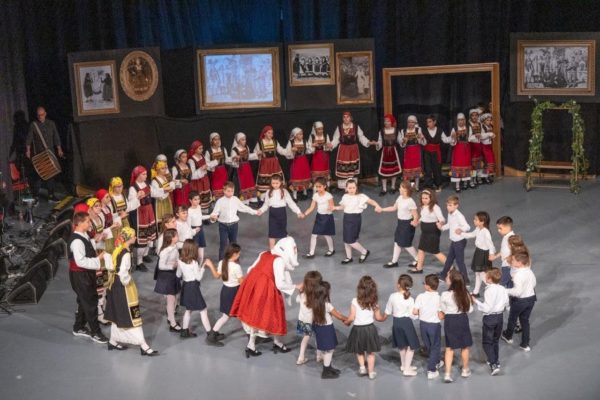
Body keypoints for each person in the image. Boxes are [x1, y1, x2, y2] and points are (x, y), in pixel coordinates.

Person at [230, 236, 301, 357]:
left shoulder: (264, 253)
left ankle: (254, 344)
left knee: (254, 315)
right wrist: (295, 286)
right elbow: (280, 283)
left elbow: (250, 269)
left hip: (253, 285)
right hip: (265, 289)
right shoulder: (279, 260)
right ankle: (271, 343)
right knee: (273, 314)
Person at [104, 227, 158, 355]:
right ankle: (143, 345)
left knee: (118, 312)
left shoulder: (118, 249)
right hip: (123, 286)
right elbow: (123, 274)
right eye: (133, 236)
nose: (135, 237)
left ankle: (113, 340)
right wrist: (128, 281)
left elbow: (111, 266)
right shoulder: (127, 254)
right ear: (129, 238)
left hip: (114, 285)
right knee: (132, 314)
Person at [68, 211, 108, 344]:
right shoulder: (76, 241)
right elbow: (80, 262)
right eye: (87, 221)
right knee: (90, 303)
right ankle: (96, 332)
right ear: (79, 223)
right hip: (80, 276)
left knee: (83, 301)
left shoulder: (83, 235)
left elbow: (87, 247)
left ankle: (78, 327)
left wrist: (94, 241)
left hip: (85, 274)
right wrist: (98, 259)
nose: (90, 223)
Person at [176, 239, 224, 346]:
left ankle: (184, 331)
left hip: (186, 286)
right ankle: (210, 333)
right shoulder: (194, 263)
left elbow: (178, 275)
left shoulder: (180, 261)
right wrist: (202, 267)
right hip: (193, 287)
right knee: (203, 310)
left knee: (189, 309)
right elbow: (198, 278)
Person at [344, 275, 385, 380]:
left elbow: (351, 317)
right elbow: (378, 318)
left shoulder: (355, 301)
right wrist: (384, 316)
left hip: (358, 329)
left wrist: (346, 322)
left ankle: (362, 367)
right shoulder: (374, 302)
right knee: (370, 353)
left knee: (359, 350)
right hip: (370, 329)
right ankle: (371, 372)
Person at [333, 179, 382, 264]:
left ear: (356, 188)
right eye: (349, 188)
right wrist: (335, 208)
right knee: (346, 239)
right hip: (346, 218)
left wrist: (377, 206)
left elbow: (371, 201)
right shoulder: (345, 196)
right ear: (346, 188)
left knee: (350, 240)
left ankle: (364, 251)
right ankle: (349, 257)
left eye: (353, 187)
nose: (352, 190)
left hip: (355, 219)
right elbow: (343, 207)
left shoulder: (361, 196)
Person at [380, 275, 419, 376]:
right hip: (406, 323)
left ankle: (404, 365)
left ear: (398, 285)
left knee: (402, 345)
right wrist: (418, 314)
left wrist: (382, 317)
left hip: (396, 322)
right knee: (411, 346)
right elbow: (413, 315)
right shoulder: (410, 299)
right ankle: (407, 369)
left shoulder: (392, 296)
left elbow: (388, 310)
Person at [471, 268, 509, 375]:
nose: (484, 277)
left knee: (487, 342)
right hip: (500, 317)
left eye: (486, 276)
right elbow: (506, 303)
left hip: (490, 318)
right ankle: (495, 360)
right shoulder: (503, 289)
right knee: (495, 340)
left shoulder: (488, 291)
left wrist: (476, 301)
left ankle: (493, 364)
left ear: (490, 279)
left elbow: (487, 308)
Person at [210, 181, 260, 260]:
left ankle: (234, 260)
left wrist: (255, 212)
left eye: (232, 191)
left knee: (233, 243)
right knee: (223, 244)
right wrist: (213, 218)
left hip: (234, 225)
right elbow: (214, 213)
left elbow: (244, 208)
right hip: (223, 226)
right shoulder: (220, 201)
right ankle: (221, 262)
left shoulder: (235, 199)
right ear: (224, 191)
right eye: (228, 191)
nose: (230, 193)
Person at [439, 270, 473, 383]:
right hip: (462, 320)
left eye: (447, 277)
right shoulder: (466, 293)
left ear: (452, 281)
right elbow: (470, 309)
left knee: (449, 348)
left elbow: (442, 310)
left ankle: (447, 374)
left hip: (450, 321)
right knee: (465, 346)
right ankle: (465, 370)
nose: (446, 278)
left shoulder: (445, 295)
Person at [204, 243, 244, 340]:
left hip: (225, 291)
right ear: (234, 254)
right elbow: (242, 283)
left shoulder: (222, 262)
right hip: (234, 292)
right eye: (239, 254)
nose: (239, 255)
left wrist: (210, 265)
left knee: (227, 315)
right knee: (240, 314)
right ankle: (213, 335)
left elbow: (217, 276)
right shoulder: (236, 267)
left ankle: (213, 333)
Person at [25, 106, 64, 201]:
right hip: (39, 154)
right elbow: (29, 139)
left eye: (42, 115)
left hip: (50, 153)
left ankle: (51, 195)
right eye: (38, 115)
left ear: (45, 114)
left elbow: (56, 137)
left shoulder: (51, 123)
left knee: (51, 175)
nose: (40, 117)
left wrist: (59, 149)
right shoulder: (34, 125)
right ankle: (36, 195)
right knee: (38, 175)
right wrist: (28, 150)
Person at [310, 281, 347, 379]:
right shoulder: (327, 305)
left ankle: (329, 367)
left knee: (327, 349)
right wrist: (348, 319)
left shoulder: (314, 303)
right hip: (327, 329)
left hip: (319, 328)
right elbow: (339, 316)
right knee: (329, 350)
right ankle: (326, 371)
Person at [379, 181, 419, 269]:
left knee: (406, 244)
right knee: (397, 242)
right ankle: (394, 261)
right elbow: (394, 208)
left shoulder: (410, 201)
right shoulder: (400, 197)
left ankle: (418, 259)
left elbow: (415, 215)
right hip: (400, 223)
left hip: (407, 224)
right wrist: (382, 209)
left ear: (405, 190)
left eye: (401, 187)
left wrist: (415, 221)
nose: (399, 189)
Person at [502, 251, 537, 352]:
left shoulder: (518, 275)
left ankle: (508, 336)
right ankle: (525, 344)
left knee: (512, 319)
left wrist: (505, 290)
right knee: (525, 321)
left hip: (520, 301)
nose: (511, 261)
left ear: (519, 262)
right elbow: (534, 283)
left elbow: (517, 292)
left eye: (513, 260)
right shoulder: (530, 271)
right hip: (531, 299)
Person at [330, 111, 375, 190]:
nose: (346, 119)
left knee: (352, 168)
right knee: (343, 168)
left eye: (347, 117)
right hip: (343, 150)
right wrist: (331, 145)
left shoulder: (356, 127)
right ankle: (344, 187)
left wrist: (368, 142)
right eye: (344, 117)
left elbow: (361, 137)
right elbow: (336, 139)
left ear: (351, 118)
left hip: (353, 150)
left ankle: (352, 187)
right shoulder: (339, 128)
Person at [258, 175, 304, 249]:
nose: (275, 185)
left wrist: (298, 212)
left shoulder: (284, 192)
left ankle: (287, 248)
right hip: (272, 214)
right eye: (273, 183)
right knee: (272, 233)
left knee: (283, 232)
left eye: (277, 183)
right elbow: (266, 204)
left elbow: (291, 203)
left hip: (281, 214)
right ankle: (272, 250)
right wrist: (261, 210)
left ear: (281, 183)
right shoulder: (268, 192)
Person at [413, 274, 444, 380]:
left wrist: (422, 313)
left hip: (423, 325)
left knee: (429, 345)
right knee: (435, 346)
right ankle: (432, 369)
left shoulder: (420, 297)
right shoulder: (439, 298)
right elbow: (441, 315)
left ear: (427, 286)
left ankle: (436, 363)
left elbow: (415, 311)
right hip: (434, 326)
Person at [128, 166, 158, 272]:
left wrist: (165, 189)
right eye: (143, 174)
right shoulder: (133, 188)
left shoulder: (146, 184)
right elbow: (131, 204)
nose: (146, 176)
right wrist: (137, 197)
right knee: (141, 238)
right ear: (137, 175)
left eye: (146, 174)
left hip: (149, 211)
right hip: (140, 214)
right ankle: (139, 262)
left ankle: (145, 255)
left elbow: (154, 192)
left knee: (149, 236)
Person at [459, 211, 496, 297]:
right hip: (478, 252)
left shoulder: (485, 232)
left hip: (483, 254)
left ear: (482, 222)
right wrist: (461, 233)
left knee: (482, 273)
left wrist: (491, 254)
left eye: (476, 219)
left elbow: (490, 244)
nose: (474, 221)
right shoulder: (478, 228)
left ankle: (493, 288)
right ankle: (476, 292)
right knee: (477, 273)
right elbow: (472, 234)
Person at [153, 228, 182, 333]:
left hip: (173, 275)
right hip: (167, 276)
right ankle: (173, 324)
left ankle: (170, 318)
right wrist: (172, 266)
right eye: (176, 235)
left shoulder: (175, 247)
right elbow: (161, 266)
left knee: (174, 298)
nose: (178, 237)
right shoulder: (165, 251)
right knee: (171, 300)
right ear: (171, 238)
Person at [438, 195, 471, 285]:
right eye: (447, 205)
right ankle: (443, 275)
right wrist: (442, 227)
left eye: (450, 205)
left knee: (460, 262)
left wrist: (461, 229)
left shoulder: (459, 216)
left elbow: (467, 227)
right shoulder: (450, 213)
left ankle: (466, 281)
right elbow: (450, 224)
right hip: (454, 241)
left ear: (456, 206)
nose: (448, 207)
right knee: (449, 259)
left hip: (459, 241)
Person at [412, 190, 446, 273]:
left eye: (426, 198)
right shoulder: (423, 207)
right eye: (423, 198)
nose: (424, 200)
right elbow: (423, 217)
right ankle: (419, 268)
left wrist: (440, 223)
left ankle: (451, 268)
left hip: (433, 232)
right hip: (425, 233)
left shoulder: (435, 207)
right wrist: (417, 222)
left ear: (431, 198)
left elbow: (442, 219)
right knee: (421, 249)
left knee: (435, 252)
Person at [302, 177, 335, 258]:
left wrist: (330, 208)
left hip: (327, 217)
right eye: (316, 187)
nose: (318, 188)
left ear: (325, 186)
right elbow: (311, 207)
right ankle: (311, 253)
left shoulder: (329, 196)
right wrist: (304, 214)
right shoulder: (315, 195)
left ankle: (331, 250)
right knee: (314, 235)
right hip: (319, 217)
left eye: (320, 186)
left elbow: (332, 207)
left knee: (327, 235)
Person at [295, 271, 323, 366]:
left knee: (305, 337)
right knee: (318, 336)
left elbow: (297, 300)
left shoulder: (302, 293)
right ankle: (319, 355)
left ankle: (301, 357)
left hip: (303, 319)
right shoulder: (317, 296)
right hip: (314, 320)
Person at [443, 113, 473, 192]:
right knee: (457, 166)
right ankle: (457, 186)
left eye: (462, 120)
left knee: (466, 165)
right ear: (457, 121)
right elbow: (452, 142)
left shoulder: (468, 128)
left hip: (466, 150)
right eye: (459, 120)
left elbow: (470, 138)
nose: (461, 121)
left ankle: (466, 183)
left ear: (465, 120)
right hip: (458, 150)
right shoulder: (454, 129)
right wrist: (453, 138)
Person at [254, 125, 287, 198]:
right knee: (264, 180)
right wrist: (258, 154)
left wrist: (288, 150)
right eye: (269, 133)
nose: (271, 135)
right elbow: (256, 153)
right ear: (264, 133)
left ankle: (276, 196)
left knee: (276, 178)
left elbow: (281, 150)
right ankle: (263, 198)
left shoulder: (275, 142)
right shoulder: (260, 143)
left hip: (274, 164)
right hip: (265, 164)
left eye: (272, 133)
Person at [375, 114, 402, 196]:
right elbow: (380, 142)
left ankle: (393, 187)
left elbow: (400, 141)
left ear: (391, 122)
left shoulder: (396, 131)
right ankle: (384, 189)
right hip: (385, 153)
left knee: (394, 171)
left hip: (394, 152)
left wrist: (403, 141)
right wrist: (377, 144)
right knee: (384, 171)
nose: (386, 122)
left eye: (388, 121)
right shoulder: (381, 131)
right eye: (385, 121)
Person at [230, 132, 258, 205]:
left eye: (245, 139)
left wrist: (256, 154)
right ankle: (244, 200)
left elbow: (248, 157)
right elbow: (232, 162)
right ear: (238, 141)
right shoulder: (234, 150)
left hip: (247, 168)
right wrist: (236, 159)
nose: (244, 141)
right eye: (242, 140)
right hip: (240, 169)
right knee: (243, 183)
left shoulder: (246, 147)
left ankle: (251, 199)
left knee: (249, 182)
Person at [399, 115, 426, 191]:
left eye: (412, 122)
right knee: (407, 169)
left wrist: (421, 138)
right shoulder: (403, 131)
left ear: (415, 123)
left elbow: (423, 143)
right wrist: (404, 141)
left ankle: (416, 186)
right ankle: (408, 186)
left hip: (416, 151)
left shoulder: (418, 129)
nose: (410, 124)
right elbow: (401, 144)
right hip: (407, 152)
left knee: (416, 169)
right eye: (409, 122)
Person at [285, 127, 311, 200]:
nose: (301, 135)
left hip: (303, 161)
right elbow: (287, 153)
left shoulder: (304, 141)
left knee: (304, 176)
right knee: (296, 177)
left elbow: (308, 151)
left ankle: (305, 193)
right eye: (299, 134)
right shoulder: (291, 142)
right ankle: (295, 195)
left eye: (302, 134)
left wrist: (312, 147)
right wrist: (292, 150)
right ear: (295, 135)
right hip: (295, 162)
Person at [188, 140, 212, 212]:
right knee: (199, 196)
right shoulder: (191, 160)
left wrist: (207, 167)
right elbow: (192, 175)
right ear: (195, 149)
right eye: (200, 148)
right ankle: (199, 212)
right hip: (197, 182)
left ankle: (206, 212)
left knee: (206, 196)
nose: (202, 150)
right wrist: (201, 169)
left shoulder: (202, 156)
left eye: (202, 148)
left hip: (205, 179)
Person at [491, 216, 515, 288]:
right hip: (505, 264)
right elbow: (503, 250)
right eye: (498, 228)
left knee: (502, 283)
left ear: (508, 227)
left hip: (509, 266)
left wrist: (510, 258)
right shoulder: (505, 237)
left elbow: (516, 251)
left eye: (500, 228)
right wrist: (495, 256)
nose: (498, 230)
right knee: (510, 283)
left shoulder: (512, 238)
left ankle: (495, 292)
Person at [306, 121, 333, 187]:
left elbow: (329, 145)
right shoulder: (312, 136)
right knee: (316, 172)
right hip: (316, 157)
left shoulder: (325, 135)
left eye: (322, 129)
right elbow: (308, 148)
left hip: (324, 156)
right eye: (319, 129)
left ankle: (326, 187)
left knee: (325, 172)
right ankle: (315, 187)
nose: (321, 131)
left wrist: (328, 146)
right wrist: (312, 146)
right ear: (315, 129)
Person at [422, 115, 444, 191]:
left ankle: (438, 184)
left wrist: (452, 137)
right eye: (427, 122)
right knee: (428, 169)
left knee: (437, 169)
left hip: (436, 152)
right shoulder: (424, 131)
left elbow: (445, 140)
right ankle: (428, 186)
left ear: (434, 122)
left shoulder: (440, 130)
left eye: (430, 122)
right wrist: (421, 138)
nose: (428, 123)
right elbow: (424, 143)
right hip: (427, 153)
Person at [206, 132, 231, 199]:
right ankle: (217, 201)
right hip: (215, 172)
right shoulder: (209, 151)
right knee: (216, 187)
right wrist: (215, 162)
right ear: (211, 141)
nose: (217, 141)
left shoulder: (223, 149)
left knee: (224, 186)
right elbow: (207, 164)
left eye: (218, 139)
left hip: (223, 171)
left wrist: (233, 159)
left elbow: (226, 160)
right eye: (215, 139)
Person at [151, 160, 177, 226]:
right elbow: (154, 194)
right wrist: (165, 190)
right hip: (160, 203)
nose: (165, 170)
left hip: (167, 200)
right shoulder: (155, 181)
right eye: (162, 168)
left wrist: (171, 185)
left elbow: (169, 186)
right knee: (163, 219)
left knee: (169, 217)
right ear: (157, 169)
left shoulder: (165, 177)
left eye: (165, 168)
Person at [188, 191, 211, 263]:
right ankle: (193, 266)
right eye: (195, 199)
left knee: (201, 253)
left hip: (200, 229)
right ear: (190, 200)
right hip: (194, 231)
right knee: (194, 253)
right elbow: (188, 226)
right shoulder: (189, 211)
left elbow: (200, 217)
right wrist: (193, 231)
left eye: (198, 199)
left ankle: (200, 266)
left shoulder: (199, 207)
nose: (198, 201)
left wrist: (210, 216)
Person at [479, 113, 496, 184]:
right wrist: (489, 134)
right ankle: (485, 177)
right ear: (484, 121)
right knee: (486, 161)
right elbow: (481, 136)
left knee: (490, 161)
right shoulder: (482, 127)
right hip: (484, 146)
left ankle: (488, 175)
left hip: (489, 146)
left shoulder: (490, 127)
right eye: (487, 120)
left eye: (490, 120)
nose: (489, 122)